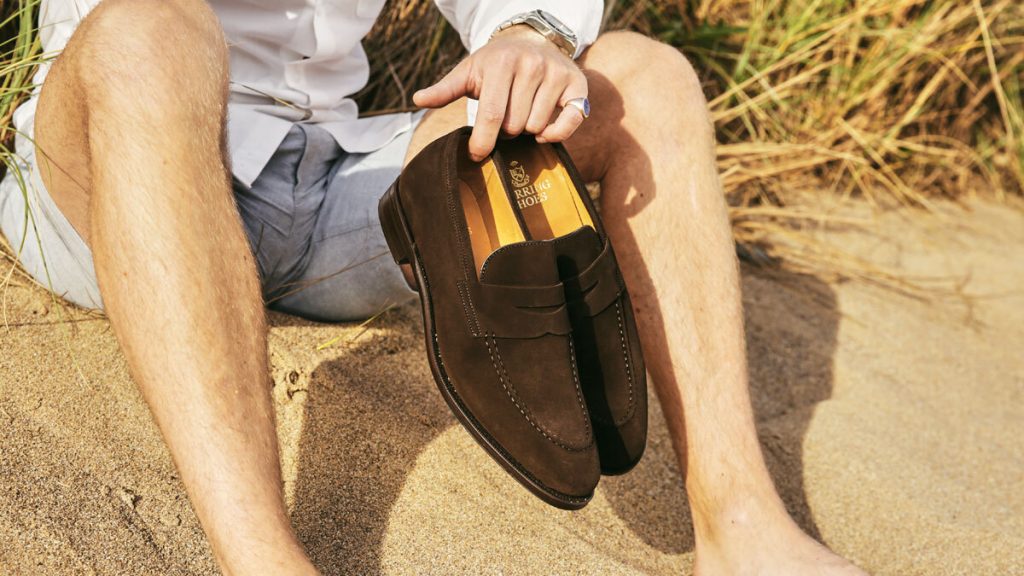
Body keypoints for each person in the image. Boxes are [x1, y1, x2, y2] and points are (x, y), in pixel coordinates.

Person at [0, 1, 866, 574]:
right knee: (148, 27)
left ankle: (742, 527)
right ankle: (264, 560)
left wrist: (531, 34)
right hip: (123, 175)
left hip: (325, 179)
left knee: (648, 82)